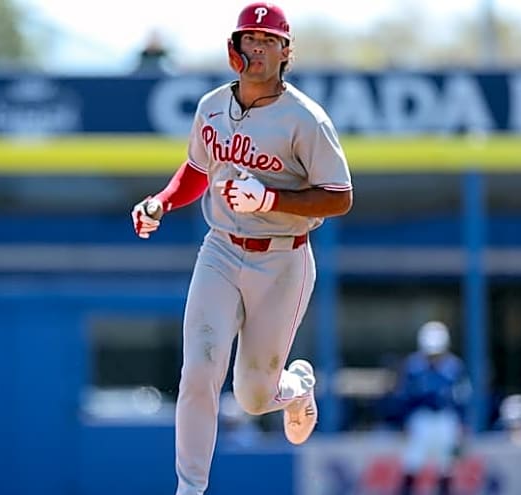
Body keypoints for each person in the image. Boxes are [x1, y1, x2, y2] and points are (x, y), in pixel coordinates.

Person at [130, 3, 353, 494]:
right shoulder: (211, 104)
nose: (256, 48)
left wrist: (270, 197)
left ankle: (296, 389)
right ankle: (190, 488)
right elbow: (196, 170)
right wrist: (162, 202)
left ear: (285, 52)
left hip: (284, 257)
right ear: (234, 46)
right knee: (200, 369)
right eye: (249, 38)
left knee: (253, 397)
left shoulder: (306, 118)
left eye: (268, 40)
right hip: (221, 250)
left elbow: (340, 197)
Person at [394, 321, 470, 495]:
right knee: (411, 464)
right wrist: (404, 422)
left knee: (446, 467)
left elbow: (462, 397)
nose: (433, 358)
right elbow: (405, 397)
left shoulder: (454, 367)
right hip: (421, 418)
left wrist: (462, 424)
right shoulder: (413, 366)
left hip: (445, 418)